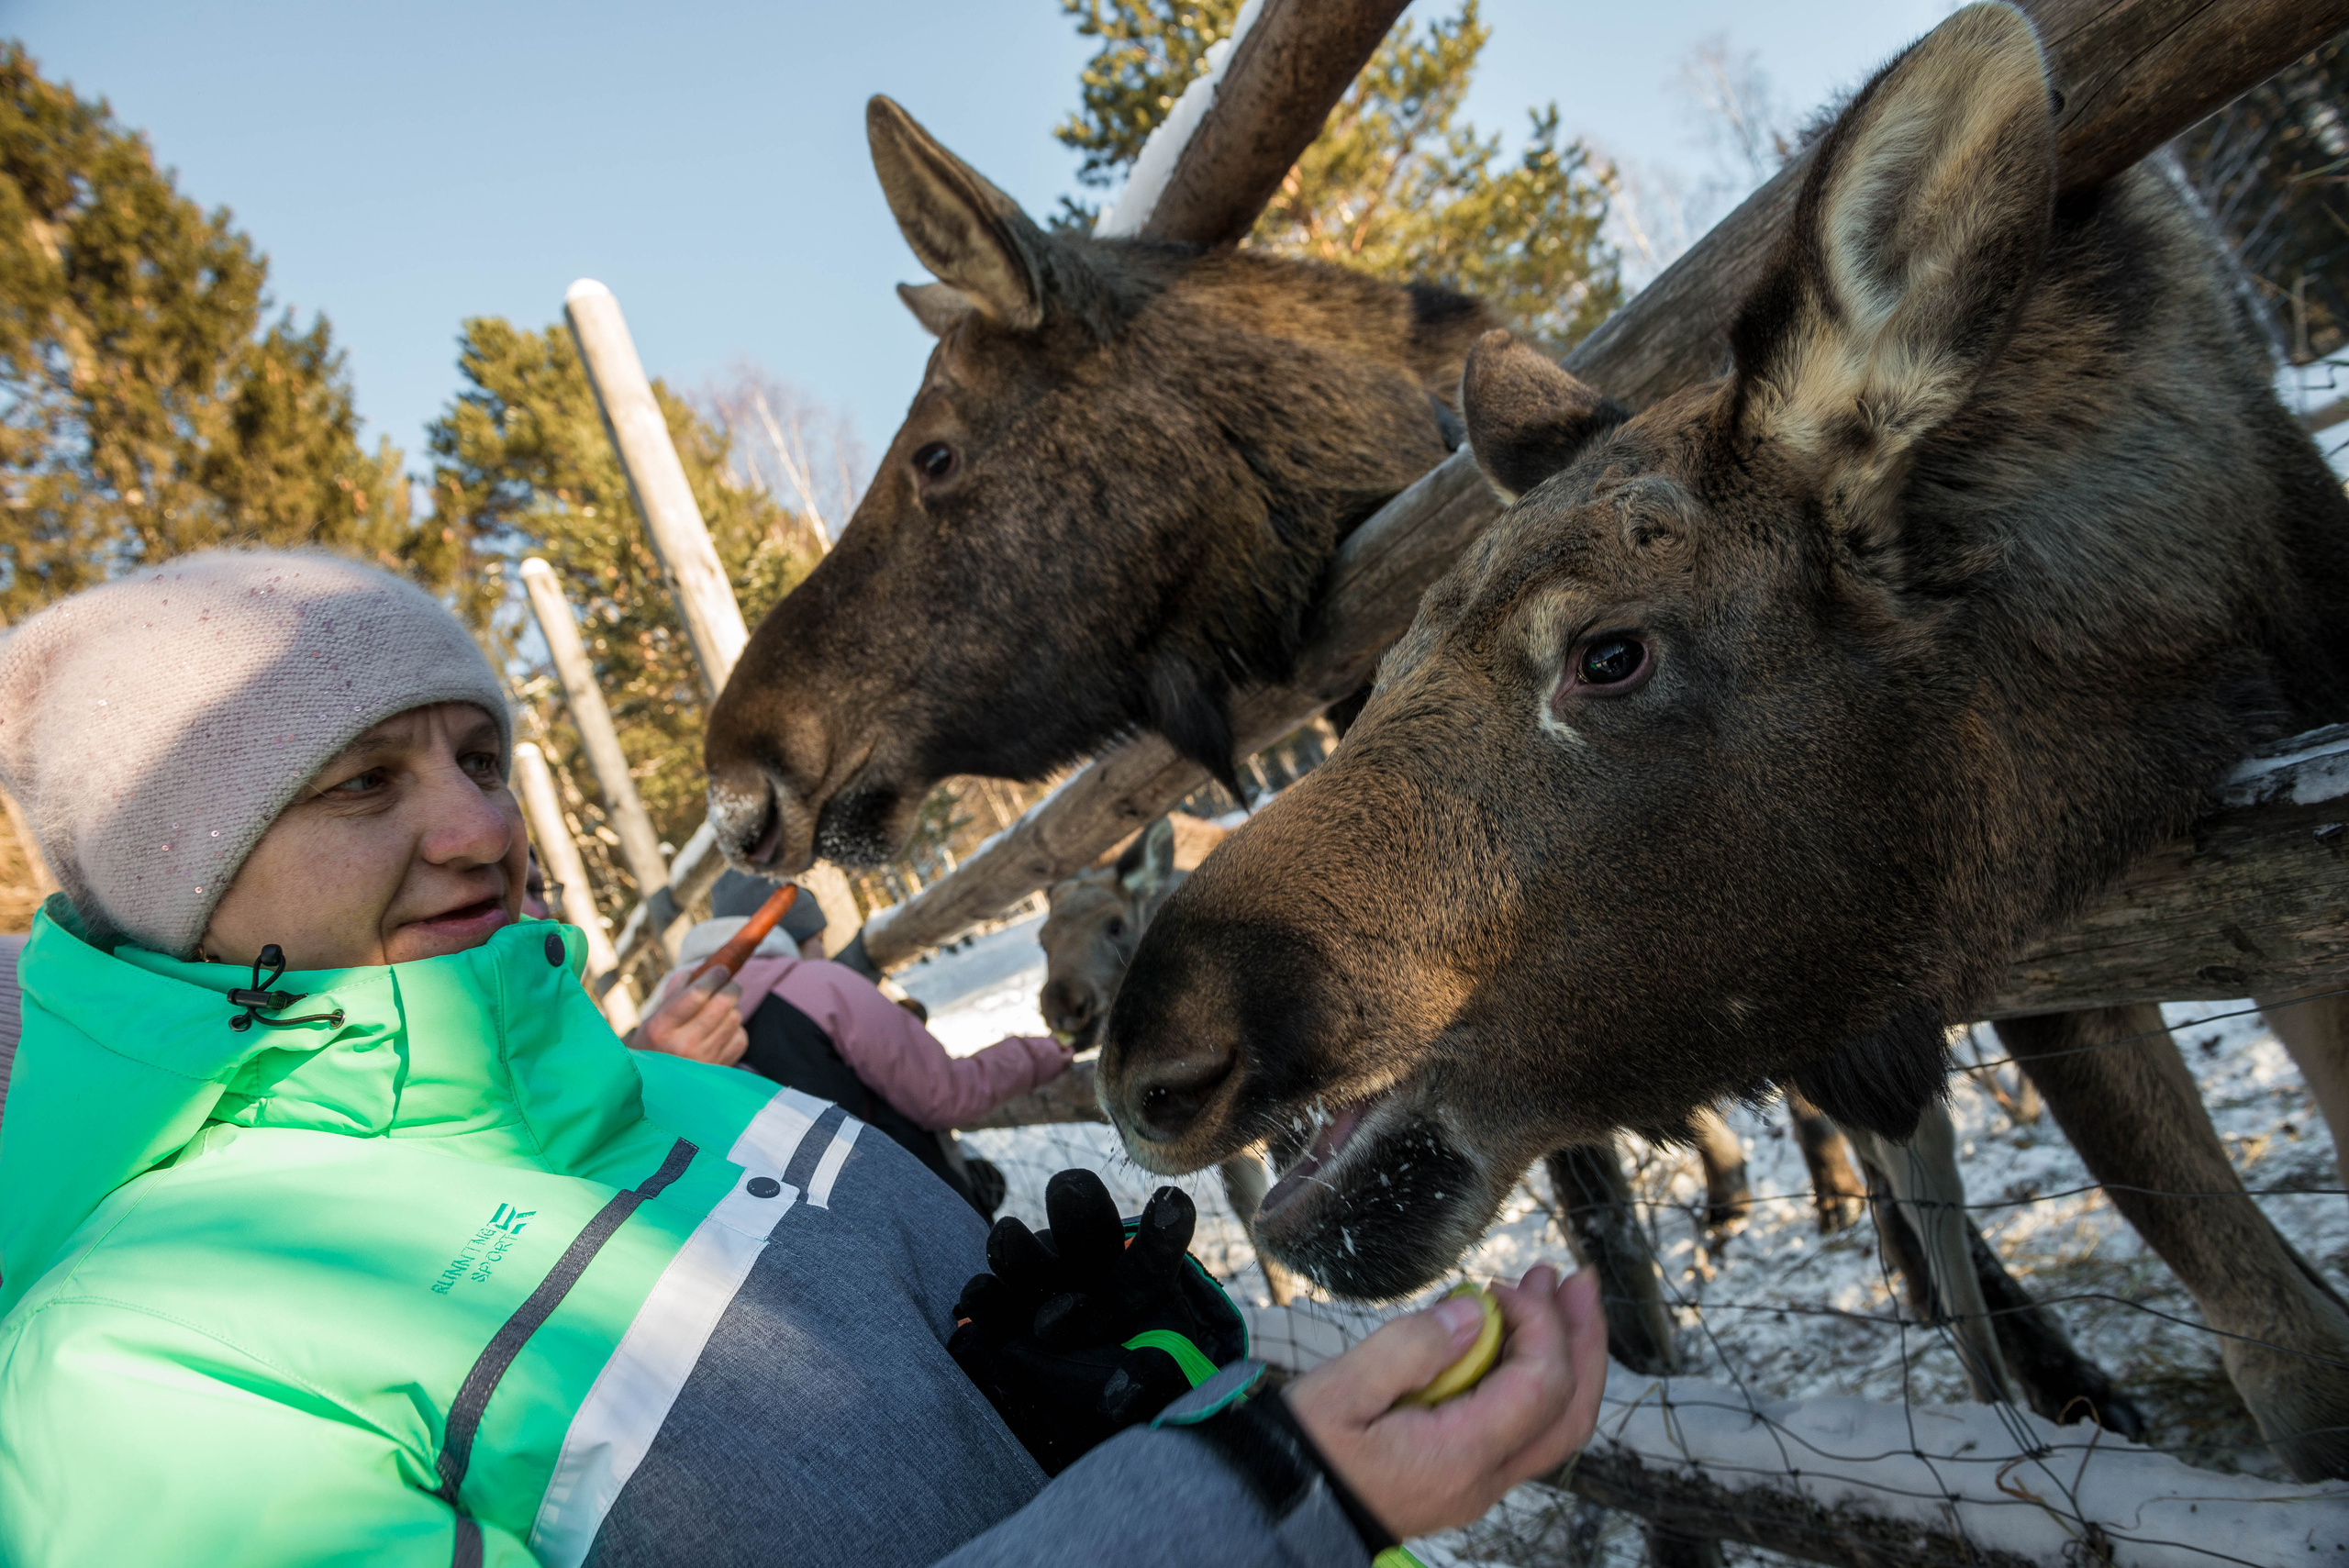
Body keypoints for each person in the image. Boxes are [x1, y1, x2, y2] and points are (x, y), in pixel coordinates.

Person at [0, 549, 1607, 1565]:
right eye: (361, 783)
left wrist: (1072, 1401)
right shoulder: (132, 1364)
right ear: (180, 871)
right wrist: (1249, 1496)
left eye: (482, 755)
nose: (481, 821)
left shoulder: (668, 1083)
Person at [640, 869, 1063, 1209]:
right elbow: (944, 1095)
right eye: (820, 940)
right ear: (803, 937)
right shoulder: (817, 984)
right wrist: (1041, 1052)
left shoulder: (655, 1026)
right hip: (908, 1211)